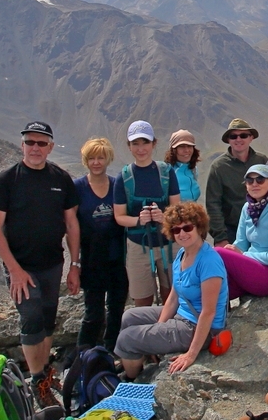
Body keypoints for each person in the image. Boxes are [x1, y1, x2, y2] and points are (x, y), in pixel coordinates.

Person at [0, 121, 80, 407]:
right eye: (30, 142)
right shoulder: (5, 181)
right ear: (22, 144)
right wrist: (14, 270)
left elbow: (71, 223)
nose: (35, 148)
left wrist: (75, 264)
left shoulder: (61, 179)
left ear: (50, 147)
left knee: (49, 319)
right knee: (31, 320)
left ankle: (44, 373)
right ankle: (38, 380)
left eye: (41, 143)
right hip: (21, 268)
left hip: (52, 264)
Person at [114, 202, 229, 380]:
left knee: (126, 339)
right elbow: (174, 297)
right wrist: (158, 329)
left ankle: (133, 379)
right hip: (181, 315)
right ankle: (137, 360)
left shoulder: (208, 261)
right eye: (176, 230)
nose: (182, 233)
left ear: (199, 227)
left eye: (187, 227)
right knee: (128, 317)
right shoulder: (182, 254)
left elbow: (208, 312)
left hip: (198, 326)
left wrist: (190, 355)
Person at [113, 121, 181, 307]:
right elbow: (119, 216)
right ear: (129, 146)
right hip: (138, 246)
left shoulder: (167, 173)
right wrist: (138, 220)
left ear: (154, 144)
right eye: (136, 143)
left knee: (173, 296)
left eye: (145, 143)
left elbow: (176, 208)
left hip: (168, 243)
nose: (141, 148)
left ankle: (170, 333)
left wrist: (164, 217)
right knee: (142, 300)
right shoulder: (123, 178)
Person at [73, 137, 130, 355]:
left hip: (118, 258)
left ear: (108, 159)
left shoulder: (117, 185)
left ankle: (112, 353)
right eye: (92, 158)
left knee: (116, 310)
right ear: (86, 161)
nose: (96, 162)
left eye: (101, 157)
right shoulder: (77, 187)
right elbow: (71, 225)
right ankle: (82, 357)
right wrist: (76, 263)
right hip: (91, 259)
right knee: (93, 313)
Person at [215, 164, 268, 298]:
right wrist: (234, 251)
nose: (254, 184)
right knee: (210, 288)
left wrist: (243, 255)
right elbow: (240, 244)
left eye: (260, 179)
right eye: (250, 180)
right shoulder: (247, 208)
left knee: (218, 252)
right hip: (251, 270)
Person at [205, 119, 268, 246]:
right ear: (228, 140)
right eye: (233, 136)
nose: (238, 139)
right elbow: (213, 205)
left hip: (263, 229)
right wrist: (221, 238)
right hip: (231, 233)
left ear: (251, 138)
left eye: (243, 135)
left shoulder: (262, 161)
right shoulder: (219, 167)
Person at [165, 129, 201, 202]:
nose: (186, 150)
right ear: (174, 150)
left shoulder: (193, 170)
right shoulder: (167, 172)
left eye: (189, 146)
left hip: (193, 212)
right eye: (182, 146)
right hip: (175, 213)